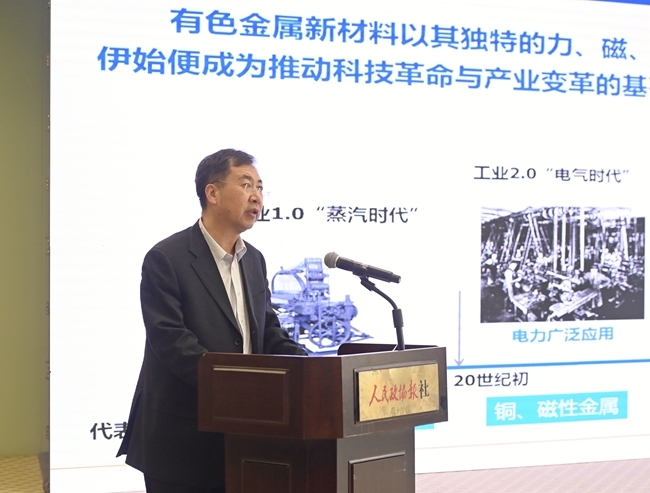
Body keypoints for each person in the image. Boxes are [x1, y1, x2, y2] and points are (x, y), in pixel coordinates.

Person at [117, 149, 307, 493]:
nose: (257, 196)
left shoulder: (254, 260)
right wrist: (238, 386)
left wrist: (314, 370)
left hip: (245, 437)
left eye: (260, 187)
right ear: (212, 193)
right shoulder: (166, 258)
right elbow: (171, 341)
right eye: (246, 184)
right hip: (181, 443)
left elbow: (267, 331)